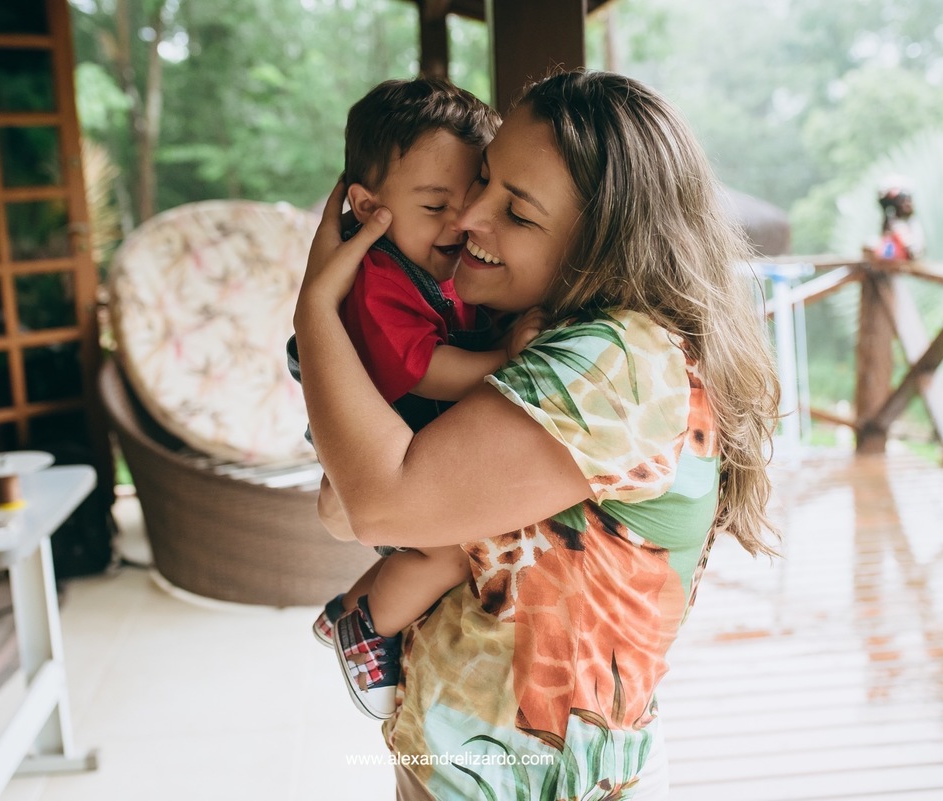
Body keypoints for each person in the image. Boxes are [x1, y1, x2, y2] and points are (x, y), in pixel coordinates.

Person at [295, 70, 780, 800]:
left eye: (516, 214)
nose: (466, 220)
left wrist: (316, 306)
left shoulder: (614, 364)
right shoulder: (550, 336)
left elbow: (371, 503)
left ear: (603, 243)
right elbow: (345, 500)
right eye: (481, 179)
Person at [289, 78, 538, 721]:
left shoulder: (433, 261)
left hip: (404, 441)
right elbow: (425, 370)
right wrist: (505, 356)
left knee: (431, 549)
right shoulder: (376, 281)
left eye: (472, 196)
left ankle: (343, 611)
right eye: (434, 207)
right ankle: (366, 630)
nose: (461, 223)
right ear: (369, 206)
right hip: (384, 435)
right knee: (445, 549)